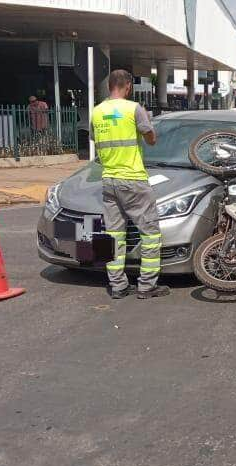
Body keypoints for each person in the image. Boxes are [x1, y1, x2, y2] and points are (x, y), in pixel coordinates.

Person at [91, 70, 169, 300]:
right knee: (150, 234)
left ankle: (117, 286)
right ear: (127, 87)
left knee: (113, 235)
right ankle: (147, 286)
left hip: (108, 180)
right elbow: (150, 137)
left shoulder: (97, 112)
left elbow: (97, 140)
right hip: (133, 179)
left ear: (109, 87)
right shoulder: (133, 108)